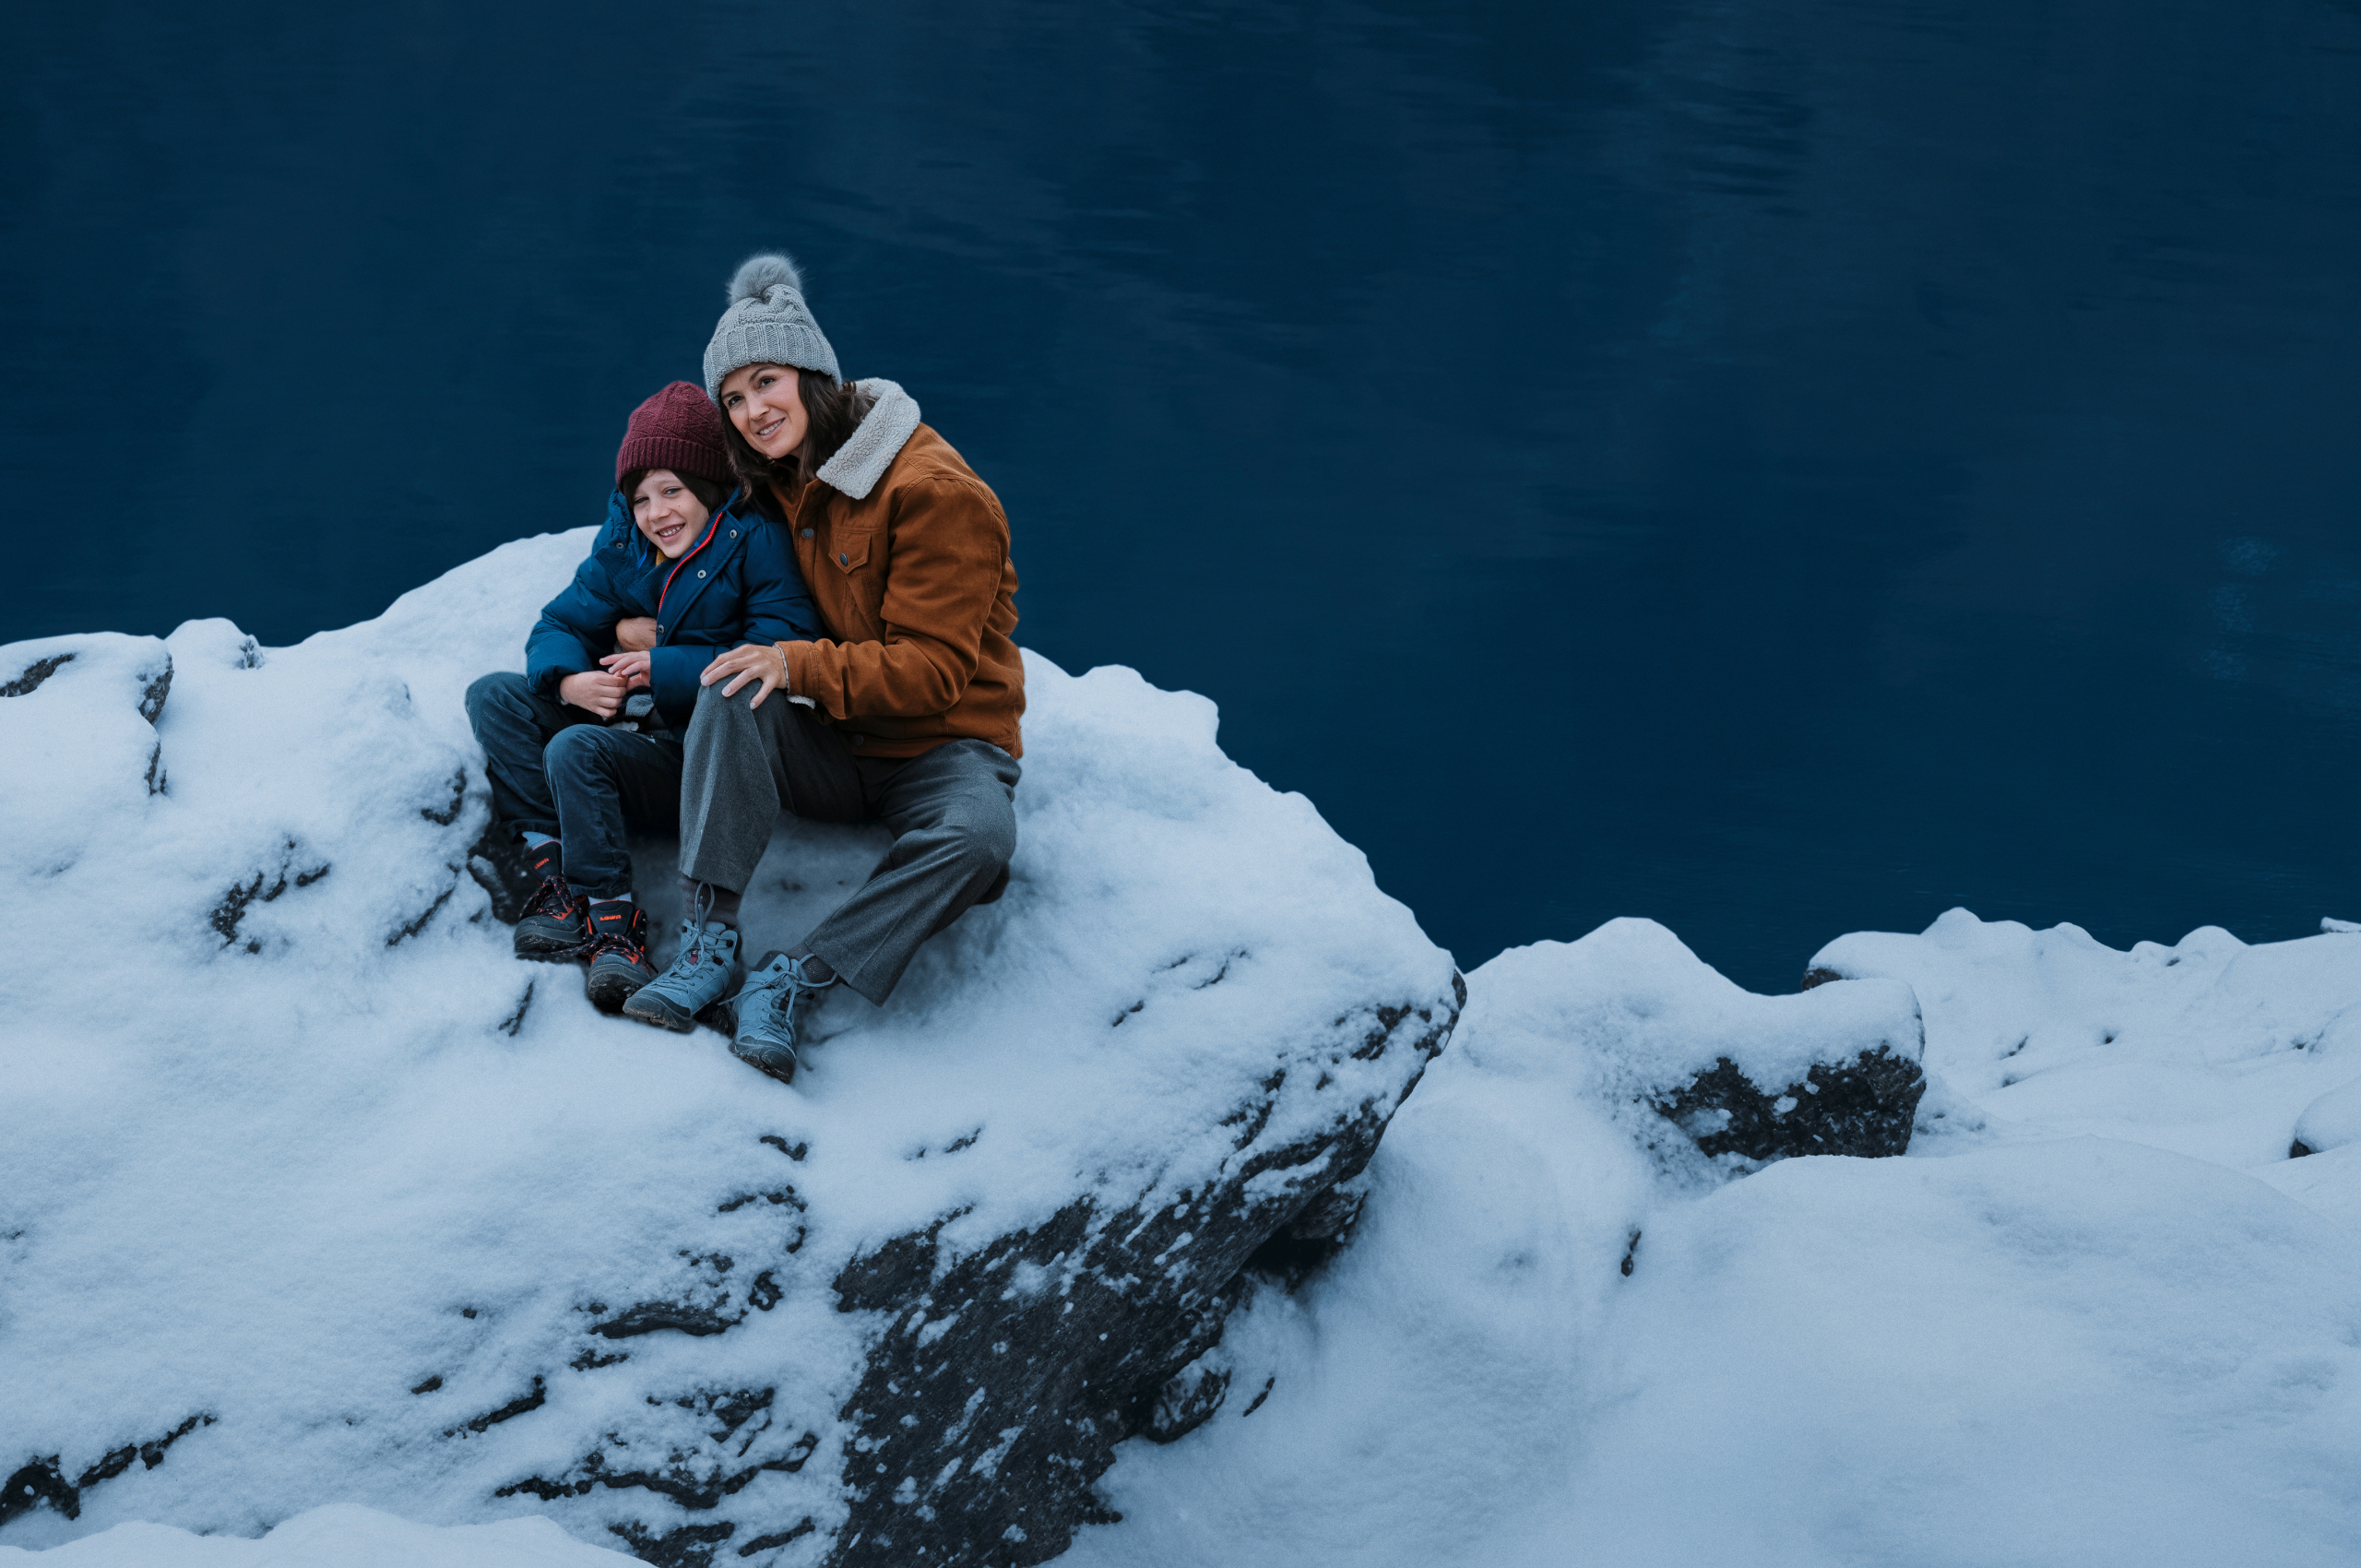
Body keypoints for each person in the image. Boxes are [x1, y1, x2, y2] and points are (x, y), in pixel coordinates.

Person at [621, 254, 1023, 1083]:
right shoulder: (781, 480)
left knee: (980, 837)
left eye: (766, 382)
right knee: (730, 684)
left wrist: (794, 662)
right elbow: (665, 494)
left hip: (941, 752)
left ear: (813, 374)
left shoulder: (935, 490)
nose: (752, 411)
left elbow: (933, 674)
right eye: (733, 398)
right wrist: (641, 623)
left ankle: (795, 977)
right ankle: (709, 944)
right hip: (837, 742)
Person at [465, 382, 821, 1013]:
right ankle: (558, 889)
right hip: (634, 730)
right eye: (641, 498)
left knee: (578, 749)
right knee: (495, 697)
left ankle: (615, 930)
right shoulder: (626, 547)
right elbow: (559, 626)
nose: (657, 513)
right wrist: (572, 680)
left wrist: (662, 662)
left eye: (673, 491)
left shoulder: (757, 544)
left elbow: (775, 652)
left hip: (698, 764)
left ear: (710, 489)